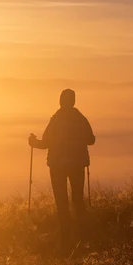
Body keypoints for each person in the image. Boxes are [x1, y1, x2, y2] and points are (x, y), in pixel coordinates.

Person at [29, 89, 95, 252]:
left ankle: (65, 241)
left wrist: (32, 142)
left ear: (61, 101)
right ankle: (84, 236)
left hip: (57, 166)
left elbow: (45, 143)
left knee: (62, 202)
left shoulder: (56, 120)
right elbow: (91, 140)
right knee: (78, 200)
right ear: (73, 101)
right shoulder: (80, 119)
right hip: (77, 164)